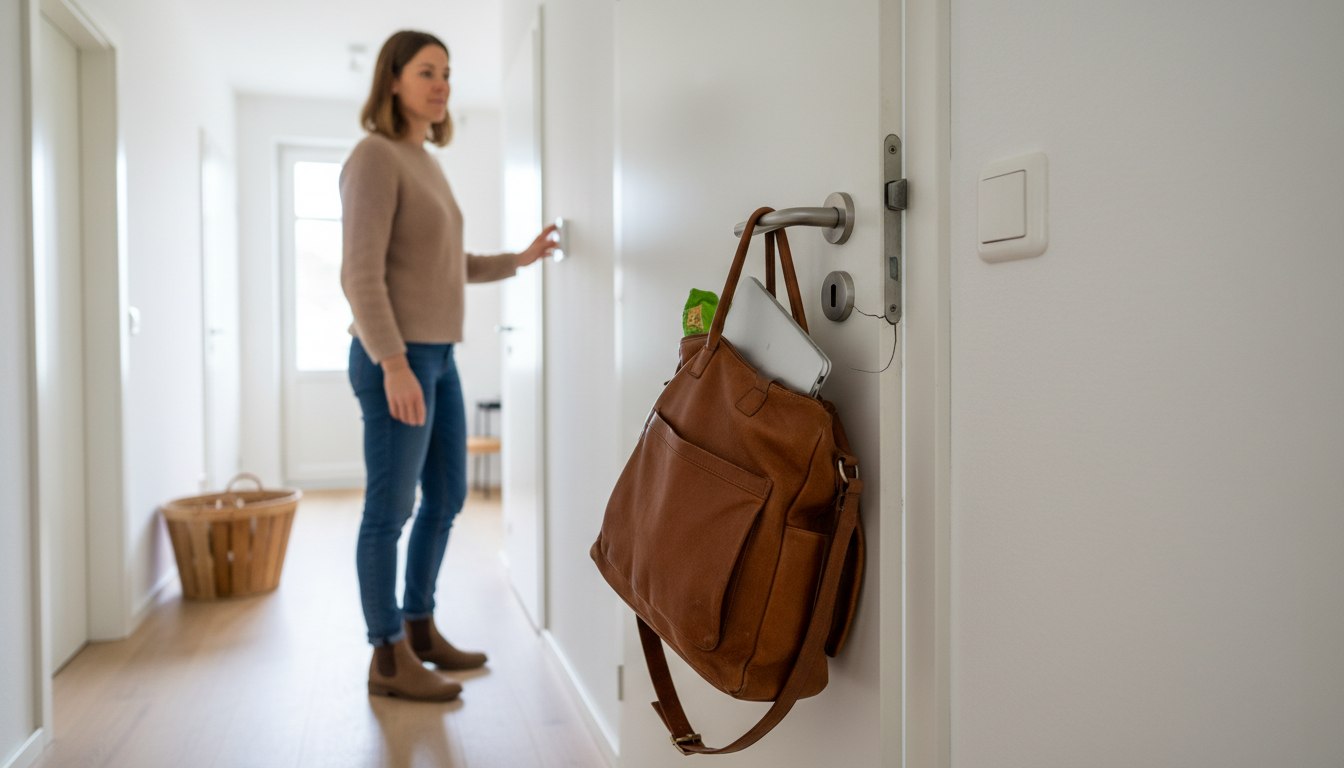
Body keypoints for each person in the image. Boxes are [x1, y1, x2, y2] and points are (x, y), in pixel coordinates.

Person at [340, 29, 556, 702]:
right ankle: (386, 655)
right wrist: (393, 363)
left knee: (448, 496)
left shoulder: (423, 160)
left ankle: (420, 627)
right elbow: (359, 275)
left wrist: (517, 260)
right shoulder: (375, 157)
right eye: (427, 72)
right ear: (393, 80)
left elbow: (443, 264)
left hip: (439, 355)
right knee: (390, 510)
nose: (442, 85)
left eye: (447, 73)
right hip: (396, 357)